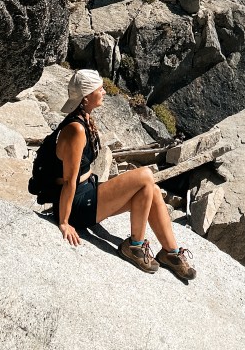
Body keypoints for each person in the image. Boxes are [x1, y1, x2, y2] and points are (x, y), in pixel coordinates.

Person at [55, 69, 196, 279]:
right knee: (145, 176)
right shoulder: (76, 129)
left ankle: (170, 253)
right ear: (86, 96)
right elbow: (69, 181)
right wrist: (64, 223)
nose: (104, 92)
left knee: (152, 189)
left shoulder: (82, 118)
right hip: (77, 206)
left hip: (88, 194)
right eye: (99, 89)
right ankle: (134, 247)